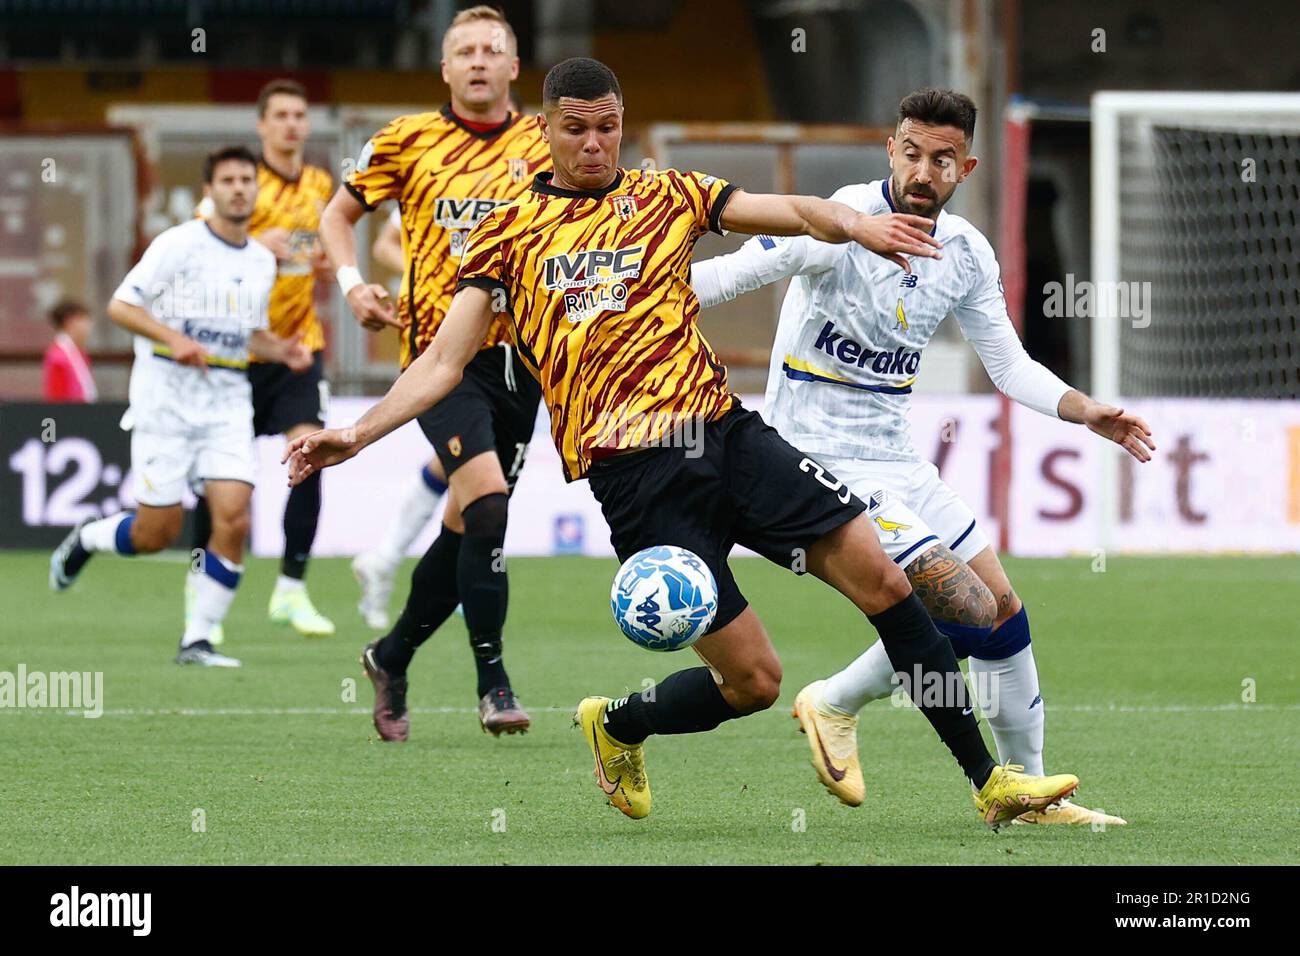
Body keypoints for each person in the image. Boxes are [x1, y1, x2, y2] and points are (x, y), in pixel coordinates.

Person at [287, 58, 1081, 828]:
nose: (594, 144)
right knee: (755, 683)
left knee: (888, 581)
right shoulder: (507, 233)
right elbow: (442, 360)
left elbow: (798, 214)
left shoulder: (669, 195)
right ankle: (621, 725)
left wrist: (858, 224)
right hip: (635, 478)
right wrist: (355, 434)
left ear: (622, 127)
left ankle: (991, 782)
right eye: (576, 130)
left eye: (608, 128)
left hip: (730, 435)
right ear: (546, 131)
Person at [692, 88, 1153, 826]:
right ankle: (839, 699)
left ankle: (1029, 793)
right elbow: (725, 276)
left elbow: (1007, 365)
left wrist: (1082, 408)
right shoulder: (836, 220)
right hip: (816, 459)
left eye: (942, 159)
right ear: (891, 150)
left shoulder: (964, 254)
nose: (923, 171)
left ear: (964, 166)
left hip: (896, 460)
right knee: (962, 608)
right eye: (911, 152)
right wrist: (615, 300)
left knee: (1001, 613)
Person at [320, 5, 551, 738]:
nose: (479, 61)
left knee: (465, 524)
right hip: (439, 357)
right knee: (486, 502)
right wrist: (353, 283)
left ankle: (391, 656)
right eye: (464, 51)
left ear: (515, 67)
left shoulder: (548, 141)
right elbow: (335, 217)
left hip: (526, 360)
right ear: (445, 68)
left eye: (492, 50)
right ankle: (494, 681)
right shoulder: (406, 140)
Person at [50, 146, 312, 667]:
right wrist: (173, 337)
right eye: (228, 180)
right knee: (157, 533)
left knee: (234, 518)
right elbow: (121, 306)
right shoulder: (178, 244)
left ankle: (199, 638)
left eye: (246, 180)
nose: (238, 188)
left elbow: (242, 335)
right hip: (165, 402)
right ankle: (88, 538)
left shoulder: (262, 261)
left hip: (226, 403)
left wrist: (279, 349)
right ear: (209, 191)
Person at [192, 78, 337, 641]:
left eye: (300, 114)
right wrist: (257, 238)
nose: (291, 125)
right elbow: (199, 243)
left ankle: (292, 590)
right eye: (280, 115)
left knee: (311, 455)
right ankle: (203, 590)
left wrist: (323, 264)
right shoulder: (240, 186)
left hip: (299, 350)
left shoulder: (321, 183)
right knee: (221, 477)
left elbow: (320, 253)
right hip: (235, 350)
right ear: (262, 125)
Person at [42, 299, 97, 403]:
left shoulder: (79, 353)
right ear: (70, 321)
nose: (89, 325)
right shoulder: (58, 357)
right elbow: (56, 398)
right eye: (83, 319)